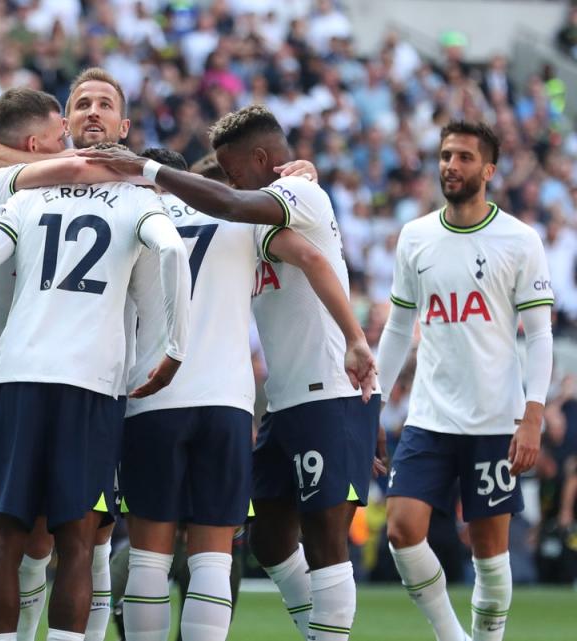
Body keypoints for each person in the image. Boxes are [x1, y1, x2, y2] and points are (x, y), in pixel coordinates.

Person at [80, 104, 380, 641]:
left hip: (155, 397)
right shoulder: (241, 222)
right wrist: (357, 339)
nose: (232, 180)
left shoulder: (138, 222)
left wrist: (356, 344)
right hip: (235, 404)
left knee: (148, 556)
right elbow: (307, 258)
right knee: (223, 556)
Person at [0, 139, 192, 641]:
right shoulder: (140, 199)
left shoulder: (29, 196)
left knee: (5, 538)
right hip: (92, 385)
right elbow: (173, 251)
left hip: (16, 377)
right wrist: (174, 349)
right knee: (77, 542)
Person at [375, 120, 554, 641]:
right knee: (402, 530)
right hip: (430, 417)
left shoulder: (519, 240)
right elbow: (398, 328)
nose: (451, 165)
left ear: (489, 170)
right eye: (446, 155)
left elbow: (540, 336)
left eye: (464, 157)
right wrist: (373, 407)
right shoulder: (416, 235)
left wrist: (533, 413)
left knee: (489, 554)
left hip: (496, 419)